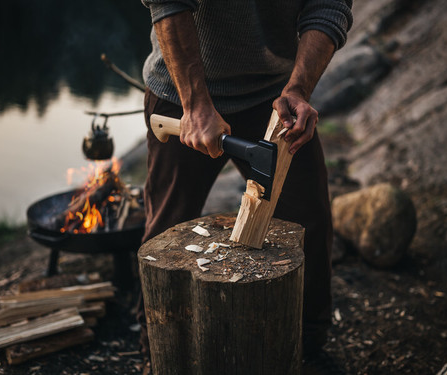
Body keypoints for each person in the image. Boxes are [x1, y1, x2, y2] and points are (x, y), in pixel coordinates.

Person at [137, 0, 352, 371]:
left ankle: (309, 344)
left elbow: (329, 5)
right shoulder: (187, 100)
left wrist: (299, 88)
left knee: (310, 224)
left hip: (276, 98)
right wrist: (195, 104)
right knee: (165, 231)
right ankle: (157, 347)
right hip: (182, 95)